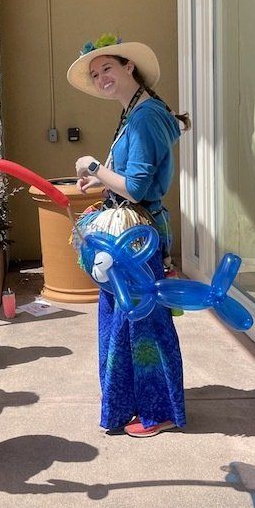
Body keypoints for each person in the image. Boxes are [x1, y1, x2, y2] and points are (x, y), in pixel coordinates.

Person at [67, 34, 189, 438]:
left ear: (129, 67)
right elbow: (130, 179)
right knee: (127, 323)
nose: (101, 77)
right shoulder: (134, 112)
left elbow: (136, 189)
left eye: (108, 68)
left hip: (137, 242)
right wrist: (100, 181)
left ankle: (159, 411)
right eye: (95, 73)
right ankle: (132, 404)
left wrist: (93, 165)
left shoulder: (144, 116)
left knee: (142, 325)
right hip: (129, 241)